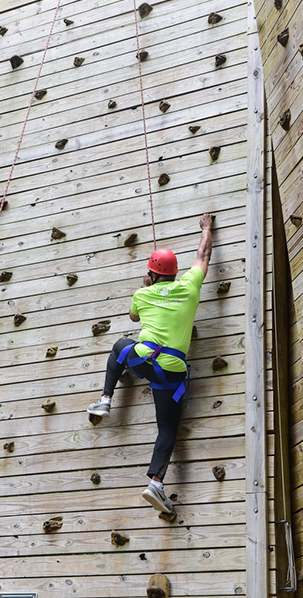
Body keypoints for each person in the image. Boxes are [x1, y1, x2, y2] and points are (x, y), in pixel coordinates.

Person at [87, 213, 213, 513]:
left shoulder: (143, 293)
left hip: (143, 359)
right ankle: (156, 483)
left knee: (120, 345)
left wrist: (145, 286)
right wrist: (206, 228)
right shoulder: (190, 286)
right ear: (175, 273)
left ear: (152, 274)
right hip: (172, 372)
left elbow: (133, 318)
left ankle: (105, 400)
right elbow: (203, 255)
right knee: (167, 429)